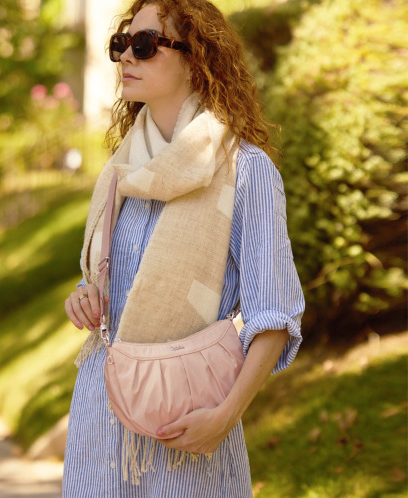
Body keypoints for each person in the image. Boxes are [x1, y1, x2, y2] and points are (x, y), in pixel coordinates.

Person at [63, 0, 305, 495]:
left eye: (145, 45)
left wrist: (224, 417)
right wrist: (87, 296)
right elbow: (116, 286)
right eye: (121, 44)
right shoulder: (121, 172)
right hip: (99, 416)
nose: (126, 57)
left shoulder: (246, 171)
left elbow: (274, 317)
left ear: (196, 59)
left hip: (186, 425)